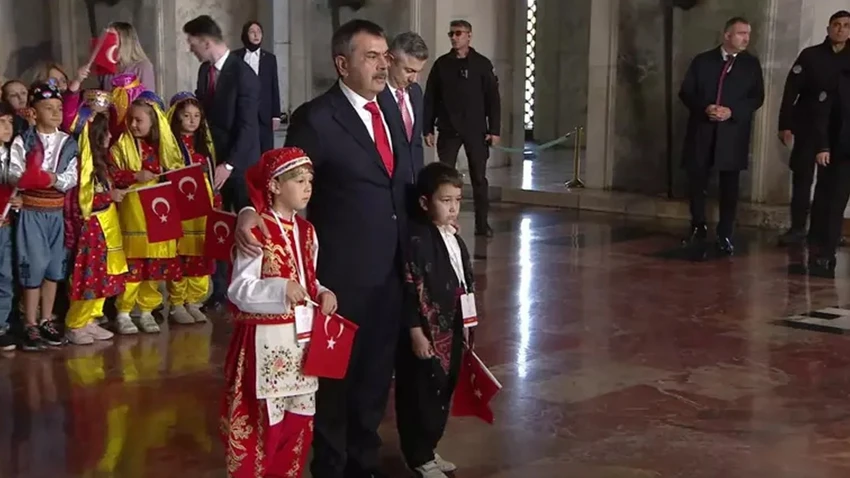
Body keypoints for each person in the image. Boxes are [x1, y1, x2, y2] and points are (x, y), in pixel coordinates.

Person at [236, 19, 414, 478]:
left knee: (376, 378)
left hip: (391, 270)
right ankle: (331, 467)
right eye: (371, 57)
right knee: (336, 381)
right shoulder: (317, 118)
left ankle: (363, 464)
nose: (383, 64)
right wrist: (248, 210)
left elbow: (400, 185)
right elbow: (281, 180)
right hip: (339, 276)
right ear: (343, 63)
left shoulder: (392, 109)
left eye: (384, 56)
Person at [224, 146, 337, 478]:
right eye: (298, 181)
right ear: (273, 185)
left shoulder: (307, 232)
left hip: (302, 346)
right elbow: (239, 288)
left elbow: (309, 279)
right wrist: (279, 288)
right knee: (263, 424)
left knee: (298, 424)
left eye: (310, 181)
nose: (307, 188)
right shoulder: (257, 229)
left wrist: (322, 292)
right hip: (264, 345)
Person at [395, 162, 475, 478]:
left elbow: (464, 280)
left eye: (457, 200)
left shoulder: (452, 238)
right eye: (445, 201)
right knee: (421, 394)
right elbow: (410, 287)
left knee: (443, 389)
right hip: (428, 332)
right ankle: (418, 455)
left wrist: (468, 323)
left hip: (453, 326)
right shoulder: (416, 241)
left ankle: (430, 448)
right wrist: (416, 331)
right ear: (426, 202)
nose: (453, 208)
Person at [183, 14, 260, 312]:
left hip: (238, 165)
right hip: (211, 163)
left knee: (243, 227)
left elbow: (247, 127)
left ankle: (245, 288)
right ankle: (218, 291)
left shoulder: (244, 74)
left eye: (192, 44)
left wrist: (228, 165)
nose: (191, 50)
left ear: (206, 41)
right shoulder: (205, 71)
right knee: (216, 226)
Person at [679, 16, 765, 254]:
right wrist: (705, 108)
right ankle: (697, 227)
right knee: (697, 183)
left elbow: (757, 97)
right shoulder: (703, 60)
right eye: (741, 33)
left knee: (729, 186)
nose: (746, 38)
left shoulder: (750, 64)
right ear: (727, 36)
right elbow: (686, 92)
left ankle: (725, 233)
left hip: (732, 133)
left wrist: (733, 111)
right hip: (702, 131)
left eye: (748, 33)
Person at [9, 82, 79, 351]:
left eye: (59, 108)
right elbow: (14, 171)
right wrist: (30, 178)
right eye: (48, 108)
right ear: (34, 113)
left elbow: (71, 176)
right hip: (32, 212)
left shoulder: (68, 142)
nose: (56, 113)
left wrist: (53, 178)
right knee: (33, 265)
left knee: (54, 267)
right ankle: (30, 322)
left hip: (56, 213)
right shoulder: (23, 140)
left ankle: (47, 317)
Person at [110, 92, 184, 334]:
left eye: (139, 120)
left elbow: (177, 175)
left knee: (155, 266)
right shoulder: (120, 146)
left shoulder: (163, 149)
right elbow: (111, 175)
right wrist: (134, 176)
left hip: (159, 213)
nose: (133, 124)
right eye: (131, 119)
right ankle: (124, 312)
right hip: (133, 212)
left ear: (153, 122)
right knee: (133, 266)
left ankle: (146, 311)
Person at [778, 10, 850, 245]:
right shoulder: (810, 56)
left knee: (832, 185)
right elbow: (791, 90)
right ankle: (797, 228)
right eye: (836, 24)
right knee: (802, 177)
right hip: (808, 124)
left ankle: (828, 231)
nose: (840, 29)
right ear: (828, 28)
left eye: (846, 25)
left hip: (839, 131)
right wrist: (785, 124)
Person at [424, 20, 501, 238]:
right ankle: (443, 222)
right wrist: (427, 128)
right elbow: (430, 98)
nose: (454, 37)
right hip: (448, 129)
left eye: (458, 33)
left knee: (479, 178)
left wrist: (494, 130)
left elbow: (493, 100)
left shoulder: (482, 64)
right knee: (444, 178)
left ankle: (482, 224)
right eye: (451, 34)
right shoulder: (441, 65)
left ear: (469, 36)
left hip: (476, 130)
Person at [64, 109, 128, 345]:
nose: (110, 136)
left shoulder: (103, 161)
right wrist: (109, 196)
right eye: (106, 132)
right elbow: (81, 199)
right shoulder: (83, 163)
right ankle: (75, 323)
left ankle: (91, 318)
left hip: (108, 226)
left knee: (104, 274)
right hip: (93, 227)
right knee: (88, 276)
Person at [166, 92, 218, 324]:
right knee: (181, 254)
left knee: (200, 252)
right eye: (186, 115)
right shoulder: (170, 147)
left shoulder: (204, 147)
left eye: (196, 115)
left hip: (202, 208)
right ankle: (177, 303)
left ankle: (194, 301)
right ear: (175, 117)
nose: (192, 120)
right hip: (180, 206)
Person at [234, 20, 282, 153]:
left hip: (264, 114)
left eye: (259, 32)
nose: (256, 35)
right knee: (243, 149)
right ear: (245, 35)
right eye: (252, 32)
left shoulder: (270, 58)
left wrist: (276, 115)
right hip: (241, 112)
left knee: (265, 152)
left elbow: (274, 86)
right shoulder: (235, 57)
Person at [386, 31, 428, 179]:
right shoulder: (374, 97)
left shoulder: (416, 92)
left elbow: (416, 143)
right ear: (389, 61)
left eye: (418, 72)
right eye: (409, 71)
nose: (414, 79)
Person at [0, 103, 20, 351]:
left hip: (5, 224)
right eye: (2, 122)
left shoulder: (13, 154)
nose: (7, 127)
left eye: (10, 122)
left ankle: (1, 326)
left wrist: (19, 200)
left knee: (5, 276)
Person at [100, 22, 157, 92]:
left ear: (125, 41)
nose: (106, 42)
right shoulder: (106, 69)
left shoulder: (143, 67)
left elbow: (149, 99)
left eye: (111, 37)